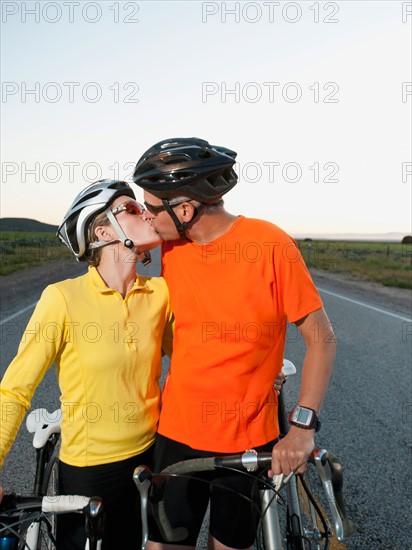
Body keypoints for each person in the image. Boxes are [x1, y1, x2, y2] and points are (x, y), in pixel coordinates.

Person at [132, 138, 336, 550]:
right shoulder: (168, 243)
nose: (145, 216)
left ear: (185, 210)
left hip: (248, 438)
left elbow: (322, 338)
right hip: (178, 434)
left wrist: (301, 427)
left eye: (150, 207)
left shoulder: (270, 245)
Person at [0, 179, 174, 549]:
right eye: (130, 207)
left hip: (148, 457)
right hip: (89, 470)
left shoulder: (160, 293)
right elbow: (16, 388)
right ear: (103, 230)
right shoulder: (62, 298)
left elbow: (194, 359)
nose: (144, 212)